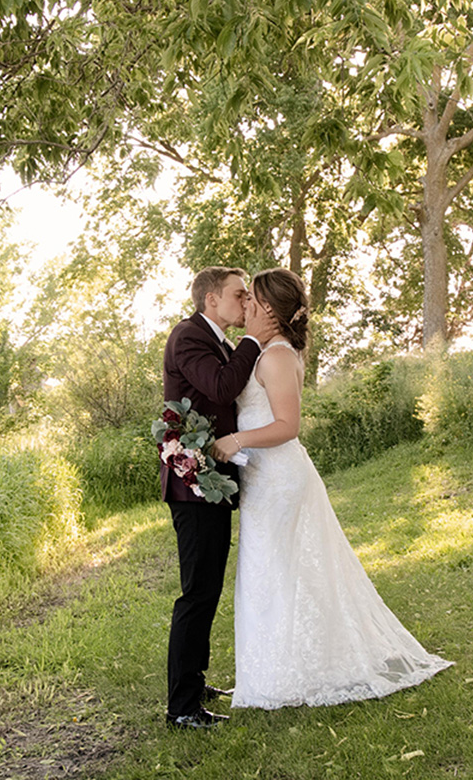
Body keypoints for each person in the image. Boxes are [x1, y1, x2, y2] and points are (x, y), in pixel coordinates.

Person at [212, 268, 452, 710]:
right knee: (270, 573)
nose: (244, 305)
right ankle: (270, 672)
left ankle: (289, 676)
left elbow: (288, 425)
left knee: (278, 572)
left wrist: (237, 440)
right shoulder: (261, 352)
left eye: (252, 300)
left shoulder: (278, 356)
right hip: (263, 480)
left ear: (268, 309)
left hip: (280, 477)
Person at [161, 266, 278, 730]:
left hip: (214, 481)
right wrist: (253, 340)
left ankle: (195, 681)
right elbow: (221, 387)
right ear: (211, 300)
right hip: (193, 488)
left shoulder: (218, 341)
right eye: (237, 294)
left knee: (208, 588)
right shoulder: (188, 337)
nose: (245, 301)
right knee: (197, 593)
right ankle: (182, 708)